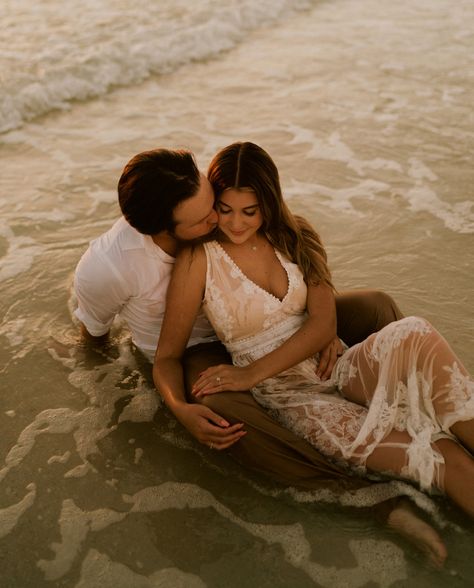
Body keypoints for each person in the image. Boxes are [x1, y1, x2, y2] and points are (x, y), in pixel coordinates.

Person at [74, 147, 447, 566]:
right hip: (202, 348)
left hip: (270, 321)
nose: (218, 219)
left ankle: (422, 414)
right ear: (166, 228)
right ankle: (369, 497)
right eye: (207, 217)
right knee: (220, 408)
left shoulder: (194, 185)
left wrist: (320, 322)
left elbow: (264, 219)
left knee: (377, 305)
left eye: (212, 201)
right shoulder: (108, 267)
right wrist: (175, 407)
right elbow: (94, 335)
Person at [154, 142, 474, 546]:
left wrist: (248, 372)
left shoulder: (295, 234)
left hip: (339, 366)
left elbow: (323, 323)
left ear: (269, 203)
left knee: (417, 333)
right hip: (293, 396)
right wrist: (181, 410)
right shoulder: (199, 258)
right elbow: (166, 356)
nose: (235, 223)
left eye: (249, 211)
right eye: (225, 208)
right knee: (446, 457)